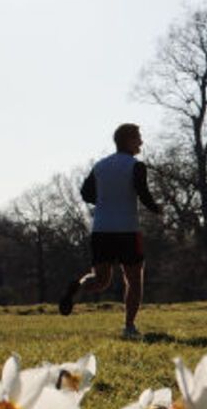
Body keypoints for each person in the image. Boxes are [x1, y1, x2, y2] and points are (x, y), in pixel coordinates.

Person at [59, 123, 163, 339]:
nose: (141, 142)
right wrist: (157, 209)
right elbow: (143, 193)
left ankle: (77, 287)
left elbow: (86, 193)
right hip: (127, 230)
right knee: (134, 280)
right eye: (138, 138)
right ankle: (129, 327)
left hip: (101, 230)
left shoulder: (100, 166)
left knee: (100, 280)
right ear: (128, 140)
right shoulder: (136, 166)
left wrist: (105, 201)